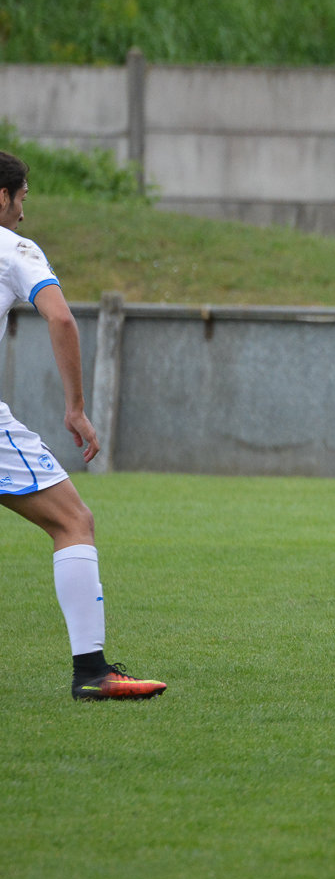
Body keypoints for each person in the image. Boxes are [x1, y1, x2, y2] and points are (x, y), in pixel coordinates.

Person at [0, 150, 168, 702]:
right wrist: (75, 408)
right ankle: (92, 672)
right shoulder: (13, 248)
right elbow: (62, 318)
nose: (23, 212)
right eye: (21, 198)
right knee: (74, 521)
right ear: (2, 197)